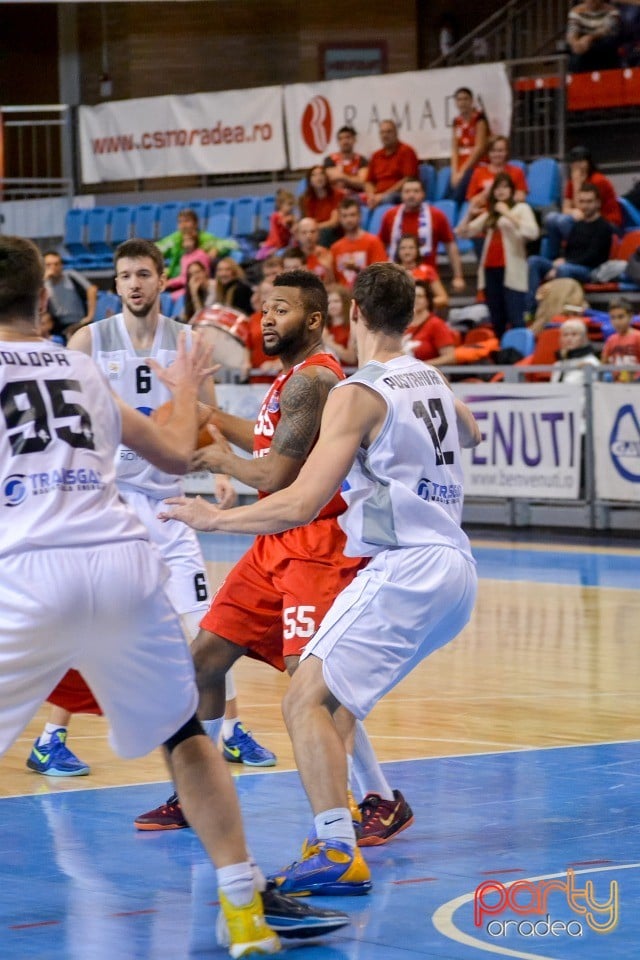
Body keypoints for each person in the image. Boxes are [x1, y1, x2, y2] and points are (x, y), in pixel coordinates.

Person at [0, 235, 350, 953]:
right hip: (120, 559)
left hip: (29, 569)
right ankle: (245, 911)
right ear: (42, 300)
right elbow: (168, 447)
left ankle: (54, 737)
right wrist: (188, 381)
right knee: (186, 736)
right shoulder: (80, 368)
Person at [158, 262, 480, 896]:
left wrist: (213, 519)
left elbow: (297, 500)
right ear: (408, 317)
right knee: (323, 693)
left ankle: (337, 845)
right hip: (457, 567)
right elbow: (467, 428)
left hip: (404, 563)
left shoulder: (353, 391)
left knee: (305, 700)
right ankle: (352, 820)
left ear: (352, 314)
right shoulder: (430, 376)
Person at [136, 270, 414, 848]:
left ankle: (379, 799)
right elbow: (268, 440)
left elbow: (274, 473)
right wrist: (210, 417)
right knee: (205, 661)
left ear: (313, 320)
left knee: (313, 688)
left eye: (280, 310)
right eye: (264, 308)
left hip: (317, 546)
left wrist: (214, 457)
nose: (266, 318)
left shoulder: (313, 382)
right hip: (276, 545)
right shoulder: (291, 380)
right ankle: (197, 791)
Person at [28, 239, 273, 783]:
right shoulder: (89, 339)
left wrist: (221, 473)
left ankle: (230, 729)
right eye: (125, 276)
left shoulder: (187, 341)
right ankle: (51, 737)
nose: (135, 283)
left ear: (163, 281)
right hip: (110, 506)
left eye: (144, 273)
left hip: (171, 502)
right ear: (114, 286)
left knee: (208, 622)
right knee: (92, 622)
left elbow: (205, 412)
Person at [461, 173, 539, 338]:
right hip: (490, 270)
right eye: (497, 187)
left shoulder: (521, 208)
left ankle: (519, 355)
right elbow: (463, 232)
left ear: (511, 190)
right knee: (497, 318)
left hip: (512, 272)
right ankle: (501, 357)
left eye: (505, 187)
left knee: (516, 316)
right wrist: (469, 213)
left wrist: (508, 214)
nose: (501, 191)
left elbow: (532, 232)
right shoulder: (491, 214)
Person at [526, 183, 613, 314]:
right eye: (582, 201)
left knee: (563, 268)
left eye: (589, 202)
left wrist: (564, 264)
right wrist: (559, 264)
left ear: (598, 203)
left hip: (590, 270)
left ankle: (556, 311)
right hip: (570, 264)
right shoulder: (578, 224)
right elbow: (570, 249)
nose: (585, 206)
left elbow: (593, 257)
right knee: (534, 261)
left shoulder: (604, 227)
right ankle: (531, 310)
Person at [379, 177, 466, 293]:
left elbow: (450, 246)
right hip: (396, 279)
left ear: (423, 194)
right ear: (401, 194)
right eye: (407, 191)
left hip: (428, 278)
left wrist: (458, 276)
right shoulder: (390, 216)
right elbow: (381, 247)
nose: (411, 195)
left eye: (416, 191)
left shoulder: (436, 215)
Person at [544, 146, 622, 258]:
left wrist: (577, 185)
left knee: (563, 221)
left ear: (588, 162)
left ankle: (575, 256)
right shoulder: (572, 182)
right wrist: (573, 211)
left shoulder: (598, 180)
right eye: (574, 162)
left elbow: (585, 208)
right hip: (586, 221)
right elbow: (566, 208)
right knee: (551, 218)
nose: (577, 165)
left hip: (606, 224)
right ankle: (552, 259)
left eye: (581, 161)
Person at [461, 136, 528, 223]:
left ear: (506, 152)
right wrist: (487, 192)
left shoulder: (517, 172)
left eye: (500, 151)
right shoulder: (478, 172)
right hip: (483, 219)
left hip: (509, 217)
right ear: (488, 153)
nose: (497, 154)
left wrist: (500, 194)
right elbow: (472, 201)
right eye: (493, 151)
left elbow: (521, 197)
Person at [156, 208, 236, 279]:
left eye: (187, 221)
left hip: (196, 278)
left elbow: (232, 244)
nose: (183, 225)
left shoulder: (205, 238)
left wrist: (216, 249)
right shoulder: (174, 239)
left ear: (196, 223)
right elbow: (156, 248)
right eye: (180, 222)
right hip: (174, 278)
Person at [329, 198, 388, 289]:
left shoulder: (373, 241)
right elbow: (333, 280)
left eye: (352, 215)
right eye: (344, 216)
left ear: (360, 216)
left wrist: (359, 269)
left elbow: (381, 274)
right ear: (340, 219)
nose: (349, 220)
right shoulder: (335, 248)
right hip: (343, 298)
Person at [43, 251, 98, 341]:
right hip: (57, 324)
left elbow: (92, 289)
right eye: (49, 265)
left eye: (56, 264)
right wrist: (44, 280)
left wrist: (90, 316)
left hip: (78, 322)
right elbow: (36, 300)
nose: (53, 268)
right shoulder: (43, 284)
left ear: (61, 265)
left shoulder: (70, 275)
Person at [448, 87, 490, 205]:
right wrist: (454, 172)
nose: (463, 102)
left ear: (472, 101)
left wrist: (462, 171)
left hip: (476, 165)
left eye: (466, 99)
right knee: (448, 185)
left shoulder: (479, 119)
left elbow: (479, 148)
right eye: (459, 99)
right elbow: (454, 149)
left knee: (458, 193)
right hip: (461, 165)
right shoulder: (456, 122)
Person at [364, 119, 419, 209]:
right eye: (382, 132)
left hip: (398, 195)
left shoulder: (407, 151)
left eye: (389, 132)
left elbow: (408, 179)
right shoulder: (375, 155)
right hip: (377, 195)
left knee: (388, 199)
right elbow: (368, 182)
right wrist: (371, 196)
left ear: (396, 133)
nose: (385, 135)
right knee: (353, 200)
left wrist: (382, 196)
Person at [402, 279, 456, 366]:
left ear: (428, 300)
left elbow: (450, 357)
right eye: (412, 296)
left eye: (419, 296)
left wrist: (422, 366)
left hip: (427, 375)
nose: (415, 299)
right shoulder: (401, 323)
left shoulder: (436, 324)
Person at [395, 233, 449, 314]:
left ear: (418, 250)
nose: (407, 252)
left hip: (423, 316)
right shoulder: (391, 272)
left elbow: (443, 298)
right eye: (403, 248)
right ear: (397, 251)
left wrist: (423, 303)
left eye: (411, 248)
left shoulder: (428, 270)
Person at [567, 0, 621, 73]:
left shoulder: (612, 11)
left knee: (609, 41)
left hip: (602, 43)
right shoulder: (576, 11)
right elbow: (572, 32)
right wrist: (575, 43)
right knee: (575, 52)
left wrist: (589, 38)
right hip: (584, 45)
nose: (591, 1)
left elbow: (607, 30)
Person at [299, 166, 345, 247]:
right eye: (314, 175)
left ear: (326, 177)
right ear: (309, 181)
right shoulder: (306, 200)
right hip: (313, 233)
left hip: (334, 233)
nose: (318, 177)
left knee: (324, 233)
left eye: (321, 174)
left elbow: (333, 223)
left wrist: (314, 227)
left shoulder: (337, 195)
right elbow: (305, 222)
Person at [551, 318, 601, 384]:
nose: (569, 338)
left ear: (583, 338)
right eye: (565, 335)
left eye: (574, 334)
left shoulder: (591, 362)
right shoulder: (558, 364)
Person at [323, 125, 369, 196]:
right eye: (341, 139)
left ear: (354, 140)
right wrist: (354, 179)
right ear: (338, 142)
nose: (345, 141)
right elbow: (332, 180)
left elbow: (363, 182)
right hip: (336, 197)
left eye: (348, 137)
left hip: (358, 197)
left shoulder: (362, 160)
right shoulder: (330, 159)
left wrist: (342, 177)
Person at [602, 296, 640, 376]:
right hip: (615, 385)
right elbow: (603, 365)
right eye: (613, 317)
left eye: (621, 317)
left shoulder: (638, 337)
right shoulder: (610, 340)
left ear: (630, 317)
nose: (616, 321)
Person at [324, 284, 357, 367]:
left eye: (336, 301)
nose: (332, 305)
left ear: (345, 302)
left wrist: (329, 342)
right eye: (328, 302)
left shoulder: (352, 326)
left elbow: (351, 358)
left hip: (348, 373)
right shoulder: (323, 327)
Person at [257, 189, 296, 259]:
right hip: (274, 244)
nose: (291, 207)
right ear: (281, 204)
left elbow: (293, 233)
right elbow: (275, 234)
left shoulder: (291, 217)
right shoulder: (275, 216)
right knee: (259, 257)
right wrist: (277, 247)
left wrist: (293, 223)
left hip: (285, 245)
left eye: (292, 204)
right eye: (289, 204)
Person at [295, 218, 335, 284]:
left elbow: (333, 285)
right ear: (297, 235)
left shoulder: (326, 254)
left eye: (312, 231)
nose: (309, 236)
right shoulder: (292, 256)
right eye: (304, 232)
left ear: (319, 234)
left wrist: (328, 269)